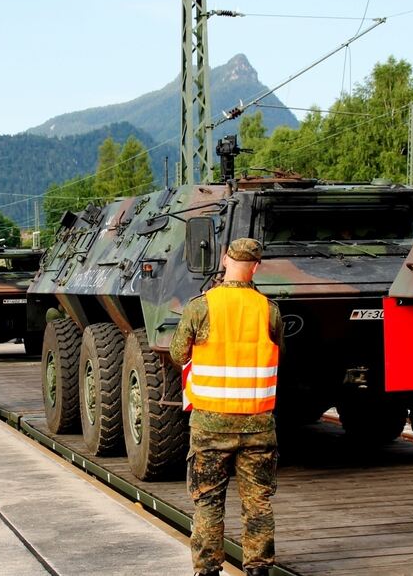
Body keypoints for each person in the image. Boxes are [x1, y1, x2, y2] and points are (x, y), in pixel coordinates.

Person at [171, 238, 283, 576]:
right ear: (257, 267)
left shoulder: (200, 307)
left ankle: (207, 570)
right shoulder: (269, 309)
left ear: (223, 260)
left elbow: (178, 354)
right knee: (258, 504)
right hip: (258, 426)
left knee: (207, 501)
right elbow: (277, 352)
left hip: (210, 426)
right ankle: (258, 569)